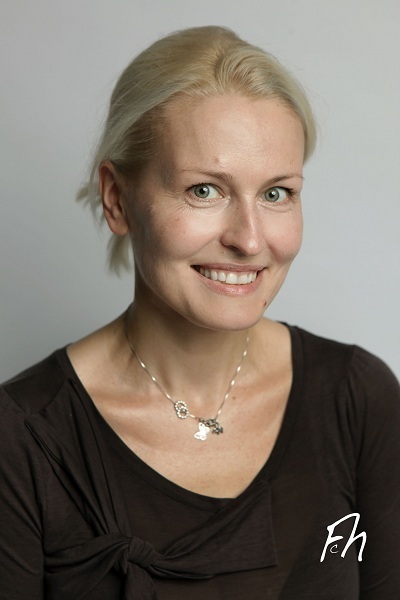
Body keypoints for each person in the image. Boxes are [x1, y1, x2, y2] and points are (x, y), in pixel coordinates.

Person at [0, 25, 399, 600]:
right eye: (205, 190)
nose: (249, 240)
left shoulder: (357, 399)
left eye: (276, 193)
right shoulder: (23, 437)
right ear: (117, 198)